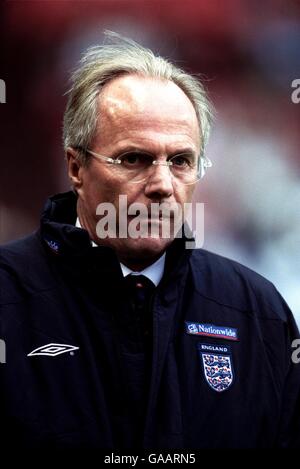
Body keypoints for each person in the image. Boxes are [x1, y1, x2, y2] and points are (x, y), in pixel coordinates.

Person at [0, 31, 299, 449]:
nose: (162, 184)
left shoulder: (258, 312)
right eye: (134, 159)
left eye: (180, 161)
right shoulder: (8, 295)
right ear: (75, 167)